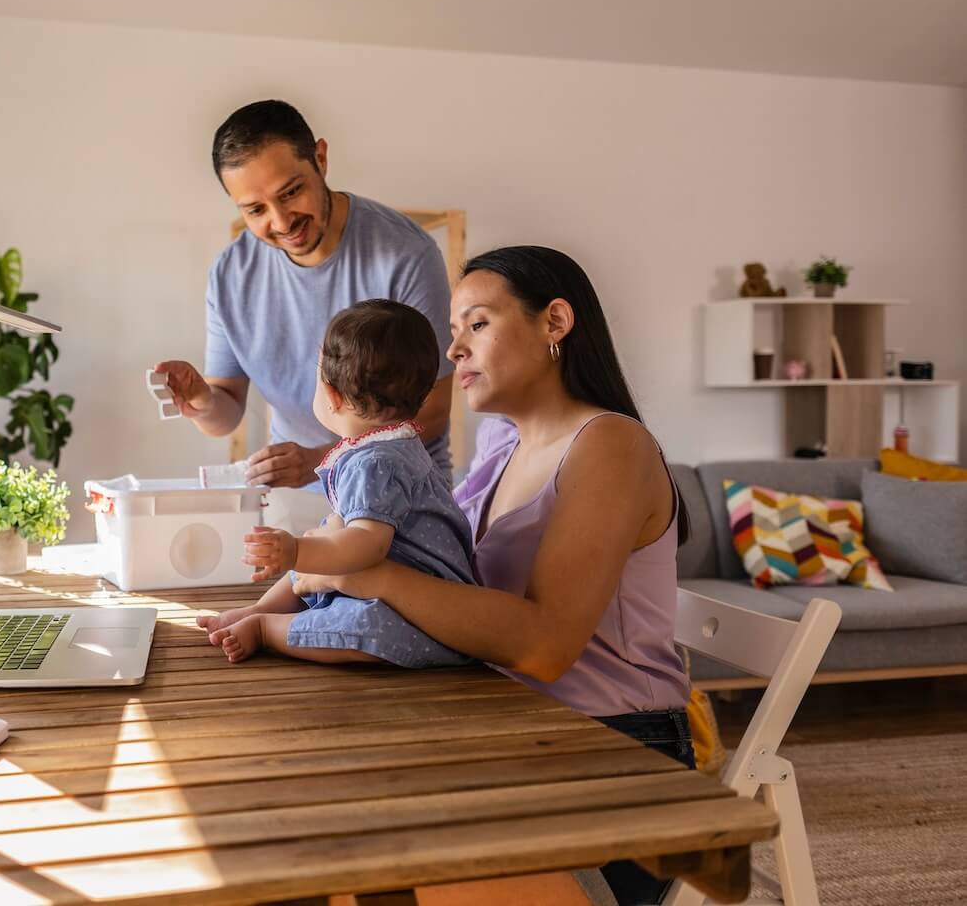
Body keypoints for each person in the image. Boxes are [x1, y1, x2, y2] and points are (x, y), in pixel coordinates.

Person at [289, 246, 692, 906]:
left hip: (614, 759)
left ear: (554, 322)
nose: (454, 352)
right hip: (513, 727)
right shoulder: (503, 444)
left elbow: (545, 646)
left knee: (341, 855)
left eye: (476, 324)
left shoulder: (610, 445)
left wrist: (375, 576)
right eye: (453, 334)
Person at [153, 100, 454, 532]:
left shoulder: (405, 254)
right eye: (255, 210)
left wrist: (319, 460)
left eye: (291, 192)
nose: (281, 221)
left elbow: (434, 410)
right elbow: (226, 412)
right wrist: (201, 399)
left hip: (401, 502)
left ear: (321, 158)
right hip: (293, 508)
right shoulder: (230, 275)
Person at [194, 299, 475, 668]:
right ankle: (260, 609)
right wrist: (312, 546)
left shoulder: (376, 462)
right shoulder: (391, 445)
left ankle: (267, 629)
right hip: (400, 581)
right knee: (321, 540)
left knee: (361, 625)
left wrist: (295, 551)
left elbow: (366, 547)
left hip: (420, 608)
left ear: (331, 396)